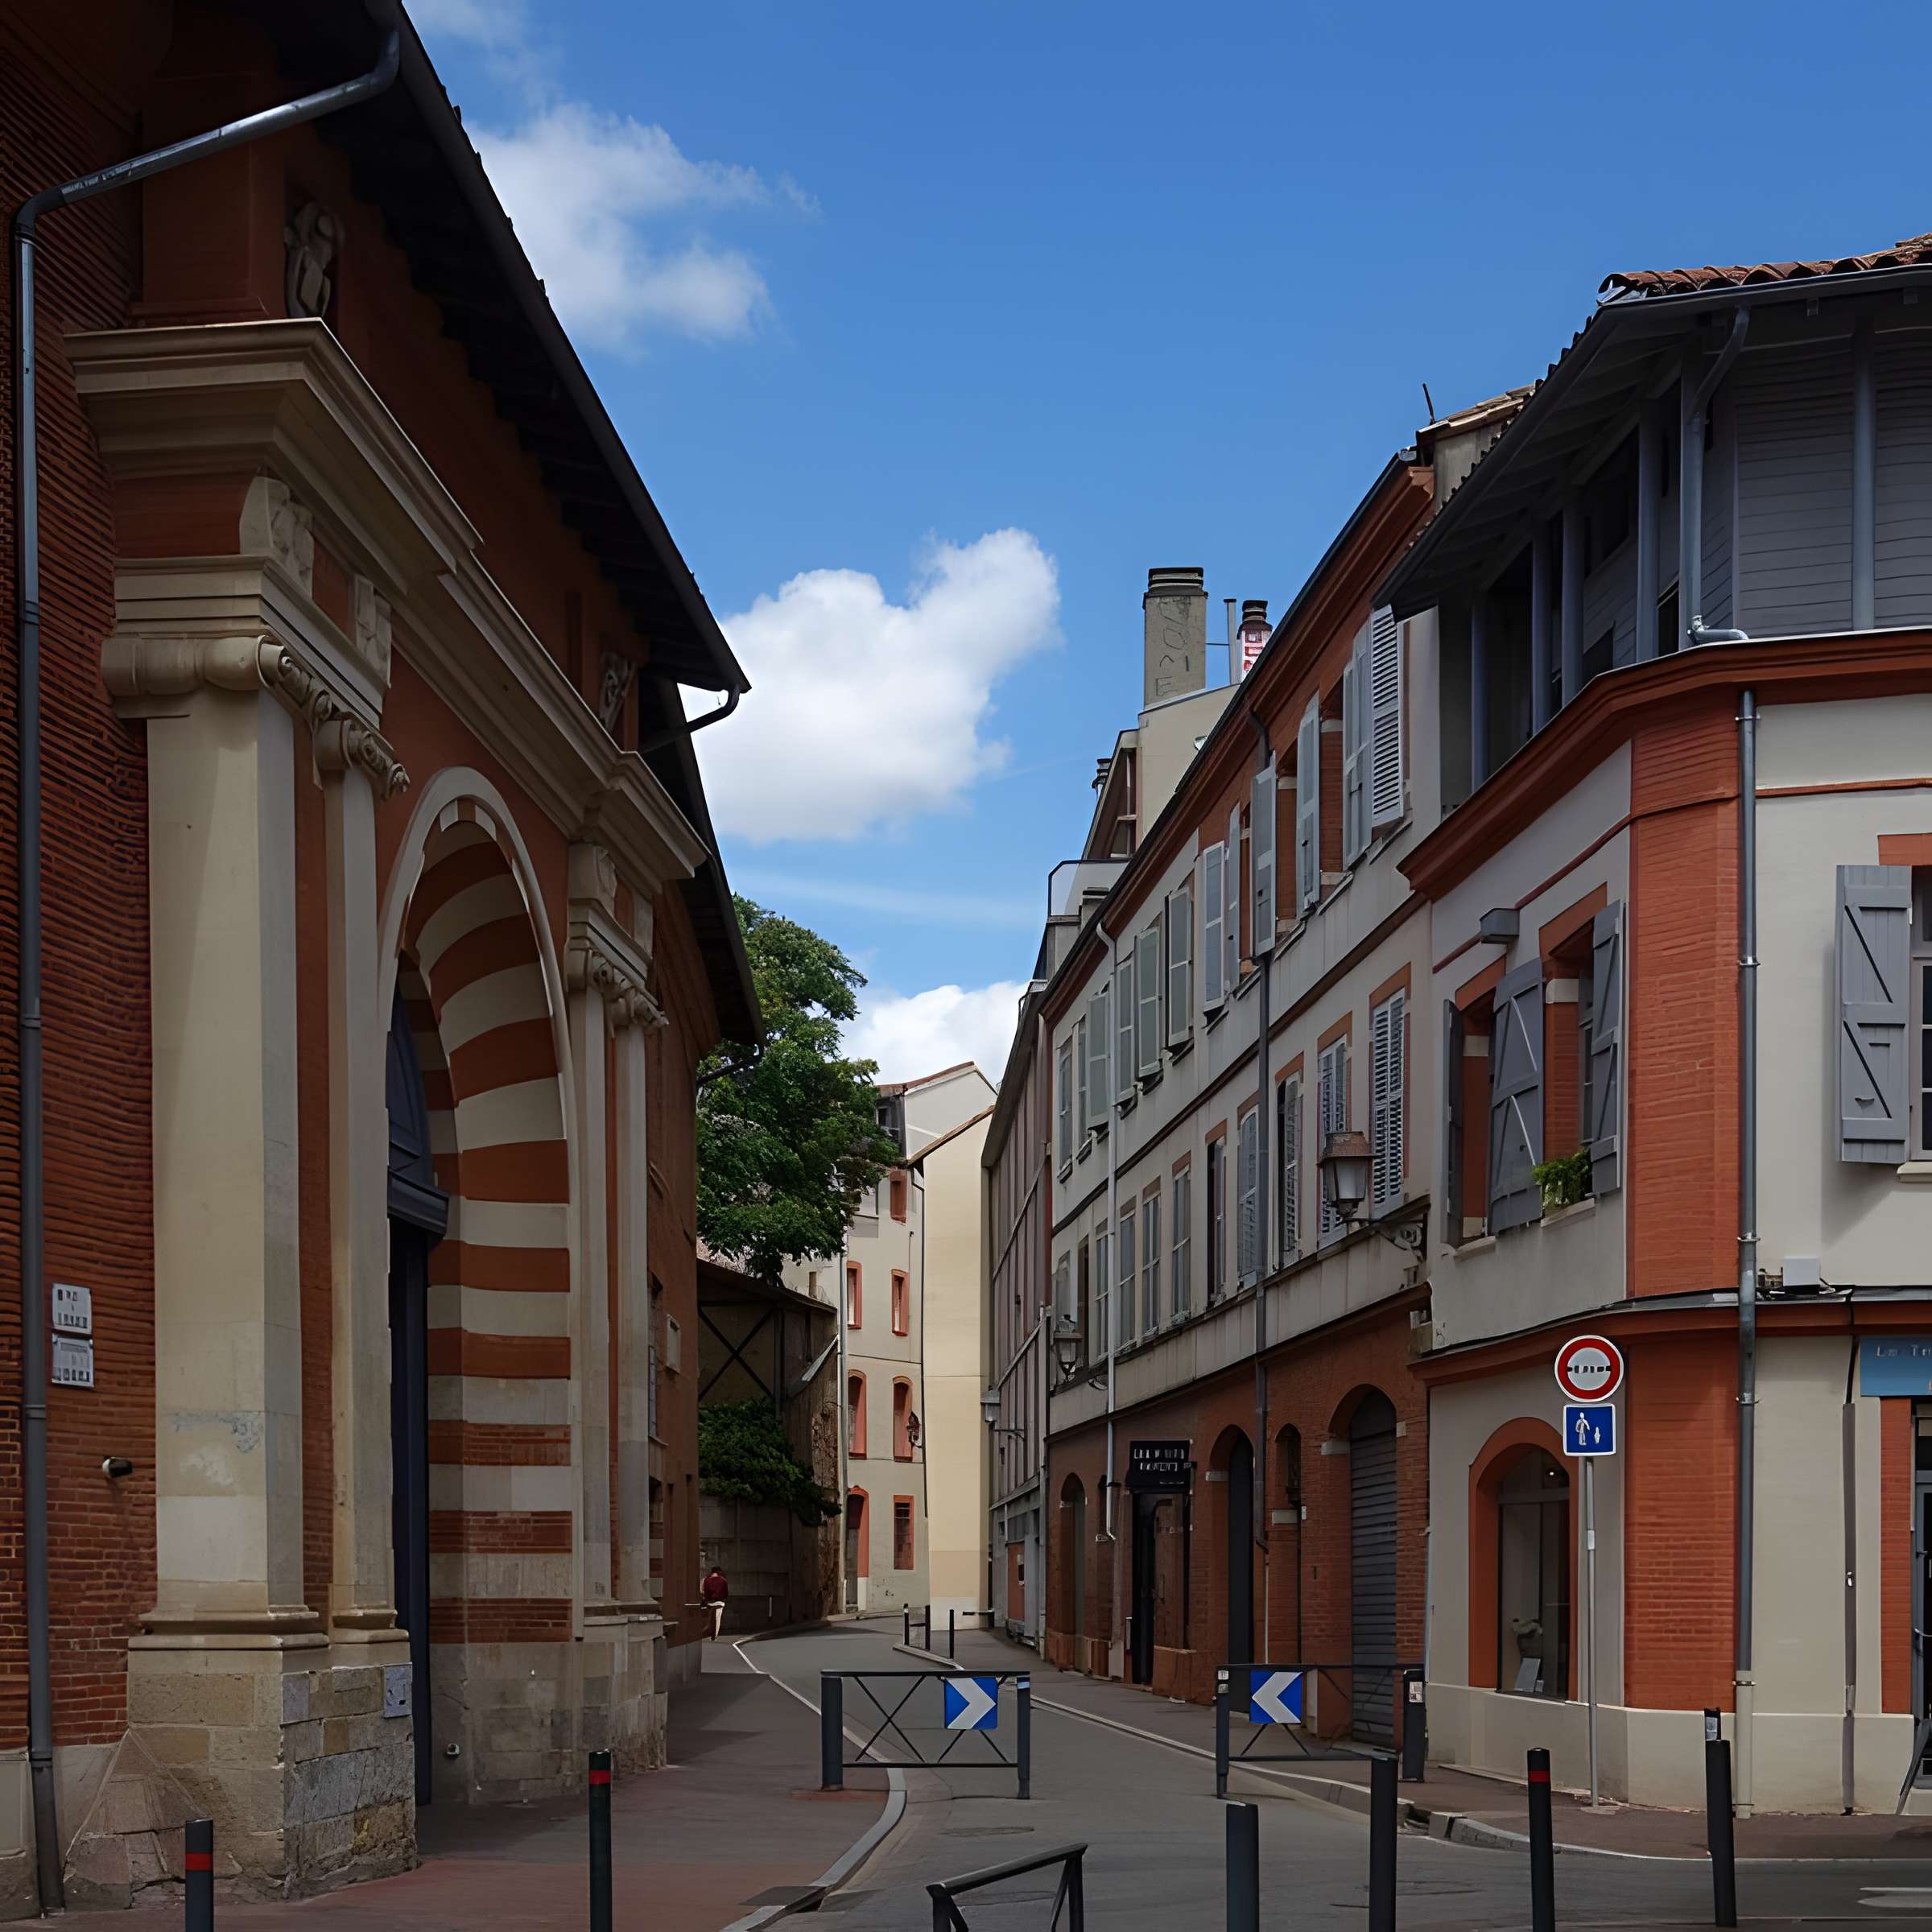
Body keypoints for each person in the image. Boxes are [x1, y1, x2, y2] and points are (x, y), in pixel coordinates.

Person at [700, 1564, 729, 1641]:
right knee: (717, 1618)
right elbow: (726, 1593)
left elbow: (704, 1592)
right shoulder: (723, 1580)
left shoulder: (706, 1580)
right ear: (719, 1572)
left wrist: (705, 1600)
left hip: (710, 1602)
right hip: (719, 1602)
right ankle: (714, 1635)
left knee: (709, 1619)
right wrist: (724, 1599)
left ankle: (707, 1632)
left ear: (711, 1572)